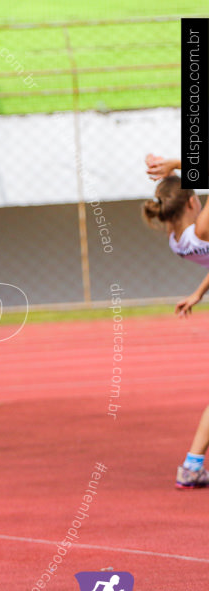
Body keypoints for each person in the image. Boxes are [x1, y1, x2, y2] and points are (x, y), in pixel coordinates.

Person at [143, 154, 209, 489]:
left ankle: (192, 466)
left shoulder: (177, 242)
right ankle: (192, 465)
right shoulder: (202, 227)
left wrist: (198, 293)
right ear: (193, 202)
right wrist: (174, 163)